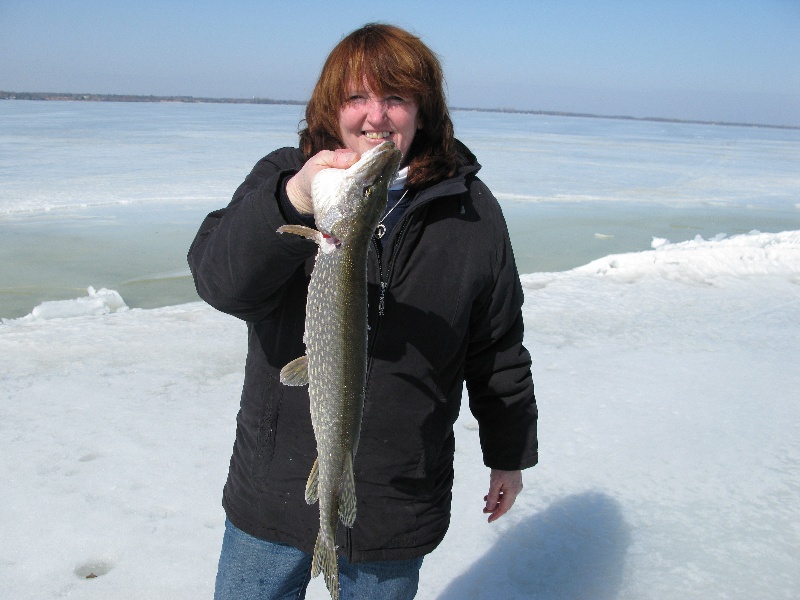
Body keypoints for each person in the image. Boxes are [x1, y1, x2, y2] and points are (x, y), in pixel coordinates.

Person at [188, 23, 538, 600]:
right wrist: (293, 198)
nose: (375, 116)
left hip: (396, 497)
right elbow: (221, 283)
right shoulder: (286, 176)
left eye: (395, 97)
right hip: (274, 489)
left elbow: (497, 343)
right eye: (357, 97)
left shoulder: (472, 212)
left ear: (424, 111)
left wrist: (508, 454)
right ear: (333, 108)